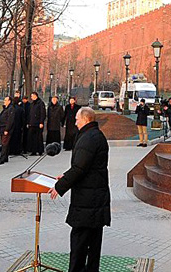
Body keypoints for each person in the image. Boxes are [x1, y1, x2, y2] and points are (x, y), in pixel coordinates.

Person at [50, 107, 111, 272]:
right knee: (92, 243)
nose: (75, 122)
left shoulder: (89, 138)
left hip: (88, 201)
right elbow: (84, 166)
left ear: (85, 119)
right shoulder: (93, 135)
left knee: (80, 243)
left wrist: (60, 186)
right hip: (94, 197)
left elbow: (79, 168)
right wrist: (65, 176)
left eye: (77, 119)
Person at [0, 95, 17, 165]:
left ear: (9, 101)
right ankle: (5, 157)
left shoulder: (11, 109)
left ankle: (2, 158)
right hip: (2, 127)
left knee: (4, 144)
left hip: (5, 128)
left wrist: (7, 129)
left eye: (5, 100)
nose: (4, 101)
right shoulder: (5, 108)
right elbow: (1, 118)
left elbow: (10, 120)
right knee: (5, 143)